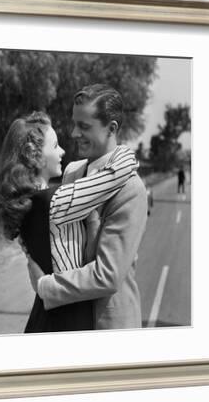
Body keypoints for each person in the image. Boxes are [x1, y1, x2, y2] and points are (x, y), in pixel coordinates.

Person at [0, 111, 138, 332]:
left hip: (45, 316)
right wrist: (121, 148)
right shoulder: (56, 201)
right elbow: (116, 173)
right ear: (34, 154)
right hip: (67, 321)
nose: (62, 151)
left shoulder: (26, 204)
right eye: (55, 146)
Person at [25, 84, 148, 329]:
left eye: (84, 126)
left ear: (111, 128)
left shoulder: (130, 190)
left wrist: (46, 286)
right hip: (66, 318)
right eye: (74, 124)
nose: (73, 133)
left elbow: (108, 275)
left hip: (106, 326)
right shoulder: (71, 172)